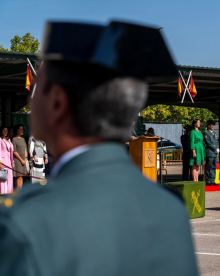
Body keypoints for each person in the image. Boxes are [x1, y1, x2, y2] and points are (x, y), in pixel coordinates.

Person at [0, 21, 198, 275]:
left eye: (37, 88)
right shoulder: (170, 210)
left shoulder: (23, 221)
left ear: (58, 102)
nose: (30, 99)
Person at [12, 124, 28, 190]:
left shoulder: (23, 139)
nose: (22, 131)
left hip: (24, 159)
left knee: (22, 177)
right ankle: (18, 192)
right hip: (18, 160)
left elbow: (26, 150)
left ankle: (20, 191)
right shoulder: (14, 139)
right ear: (17, 130)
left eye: (22, 129)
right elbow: (14, 151)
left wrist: (25, 159)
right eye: (20, 129)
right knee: (19, 176)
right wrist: (21, 160)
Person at [204, 120, 219, 186]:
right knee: (209, 166)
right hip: (210, 152)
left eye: (214, 125)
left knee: (213, 166)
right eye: (212, 125)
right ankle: (208, 180)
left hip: (214, 153)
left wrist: (217, 148)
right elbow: (208, 142)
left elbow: (216, 141)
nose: (213, 126)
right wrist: (215, 148)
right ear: (209, 126)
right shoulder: (206, 133)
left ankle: (212, 180)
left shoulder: (214, 133)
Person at [0, 126, 13, 194]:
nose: (5, 132)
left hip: (9, 162)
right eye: (4, 130)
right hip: (3, 162)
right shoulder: (0, 140)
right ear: (1, 131)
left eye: (6, 131)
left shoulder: (9, 140)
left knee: (10, 178)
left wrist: (12, 162)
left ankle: (10, 193)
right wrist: (0, 163)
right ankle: (3, 193)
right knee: (3, 179)